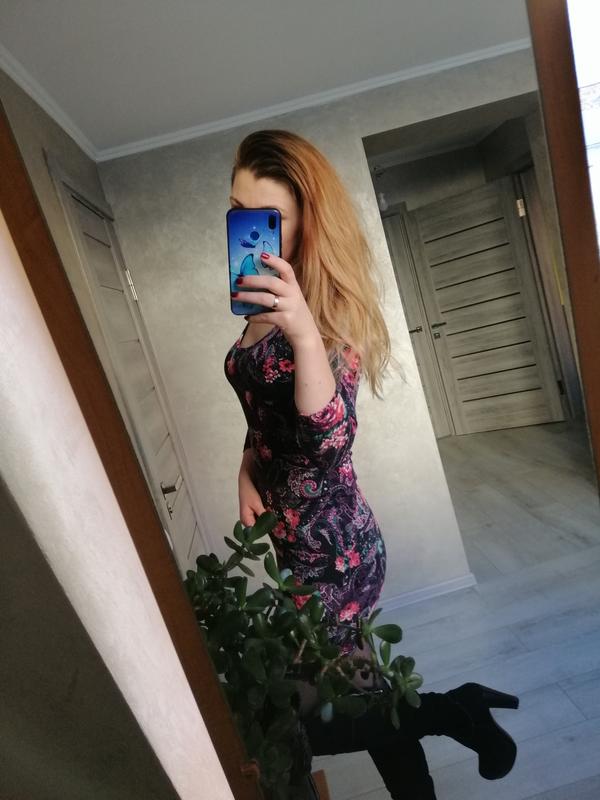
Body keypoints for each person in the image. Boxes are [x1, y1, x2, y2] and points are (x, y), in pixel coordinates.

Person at [224, 129, 519, 799]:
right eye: (237, 211)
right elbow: (263, 415)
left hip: (333, 551)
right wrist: (245, 469)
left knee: (302, 721)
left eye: (270, 217)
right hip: (293, 539)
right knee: (365, 689)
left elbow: (328, 442)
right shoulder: (257, 302)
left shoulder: (328, 318)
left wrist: (303, 333)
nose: (249, 231)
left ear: (309, 224)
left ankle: (457, 710)